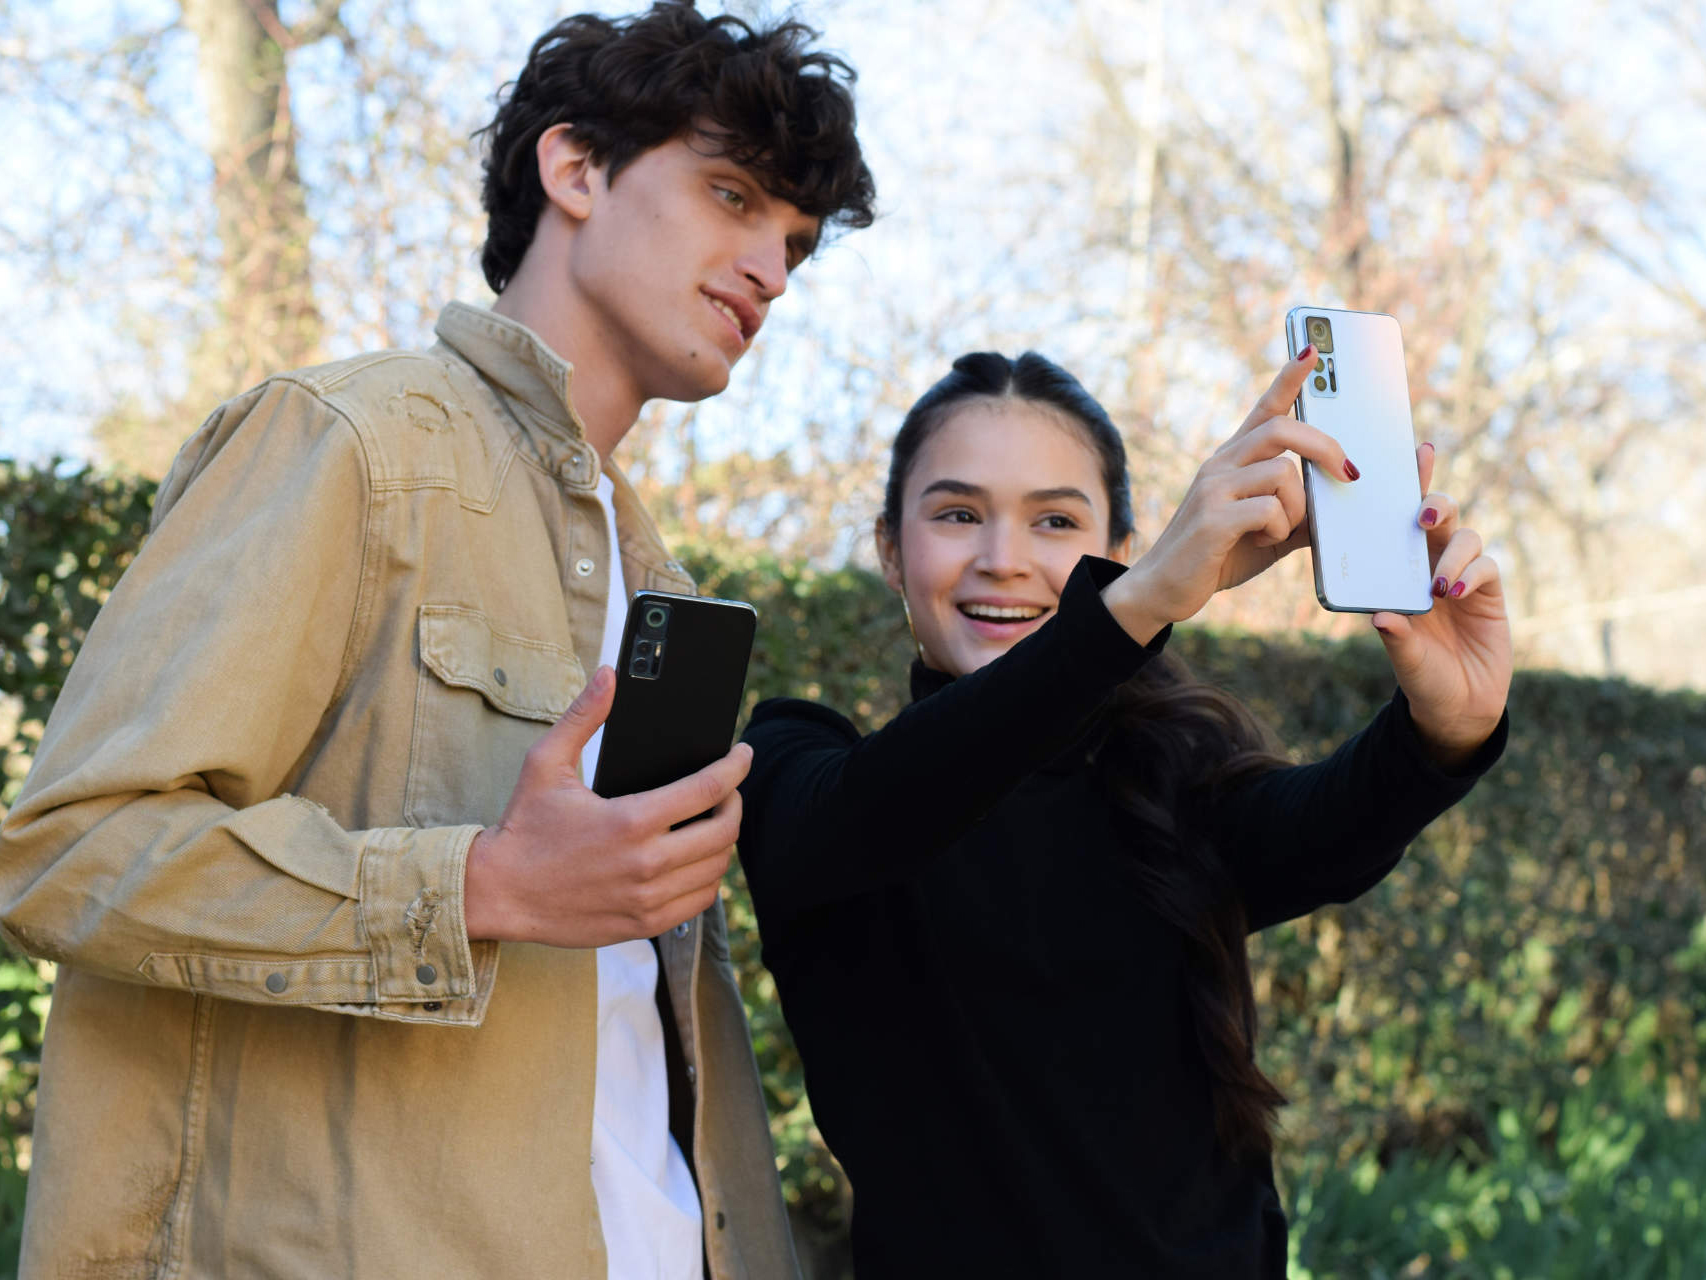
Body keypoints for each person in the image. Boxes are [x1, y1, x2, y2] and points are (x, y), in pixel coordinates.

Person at [0, 5, 873, 1276]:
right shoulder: (349, 442)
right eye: (731, 195)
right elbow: (67, 849)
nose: (772, 269)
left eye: (793, 240)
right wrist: (480, 887)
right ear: (574, 168)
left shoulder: (663, 583)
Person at [736, 347, 1511, 1276]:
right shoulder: (800, 765)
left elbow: (1326, 826)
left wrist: (1445, 731)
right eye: (957, 514)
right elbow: (881, 803)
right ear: (890, 550)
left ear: (1121, 546)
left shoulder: (1167, 778)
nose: (1003, 560)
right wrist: (1132, 605)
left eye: (1055, 520)